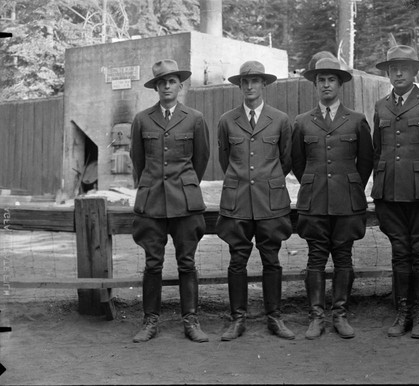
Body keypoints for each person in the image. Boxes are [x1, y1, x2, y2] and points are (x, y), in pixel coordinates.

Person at [371, 45, 419, 339]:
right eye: (393, 68)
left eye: (404, 67)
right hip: (389, 192)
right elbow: (377, 150)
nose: (399, 73)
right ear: (388, 73)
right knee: (399, 253)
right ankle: (402, 311)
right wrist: (375, 186)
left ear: (415, 71)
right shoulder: (380, 106)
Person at [292, 57, 374, 340]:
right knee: (315, 259)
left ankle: (340, 315)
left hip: (346, 201)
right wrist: (317, 185)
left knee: (343, 258)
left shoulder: (356, 120)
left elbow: (365, 162)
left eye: (331, 80)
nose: (326, 85)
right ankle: (316, 317)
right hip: (314, 201)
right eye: (321, 80)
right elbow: (298, 163)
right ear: (315, 85)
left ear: (340, 85)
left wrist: (348, 187)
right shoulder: (302, 122)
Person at [129, 59, 210, 343]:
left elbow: (201, 160)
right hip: (151, 203)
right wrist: (152, 185)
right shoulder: (142, 119)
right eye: (161, 82)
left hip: (185, 203)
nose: (167, 86)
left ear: (180, 85)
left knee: (187, 263)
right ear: (156, 87)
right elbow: (138, 162)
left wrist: (185, 185)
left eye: (172, 81)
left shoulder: (195, 118)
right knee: (153, 264)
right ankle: (150, 321)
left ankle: (191, 320)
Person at [216, 60, 295, 341]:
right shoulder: (227, 120)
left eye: (255, 81)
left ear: (264, 85)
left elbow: (286, 160)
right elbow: (226, 159)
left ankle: (274, 317)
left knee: (271, 260)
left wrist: (267, 181)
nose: (250, 86)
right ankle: (238, 319)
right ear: (239, 86)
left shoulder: (281, 119)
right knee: (237, 261)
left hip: (270, 200)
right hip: (237, 200)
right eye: (245, 82)